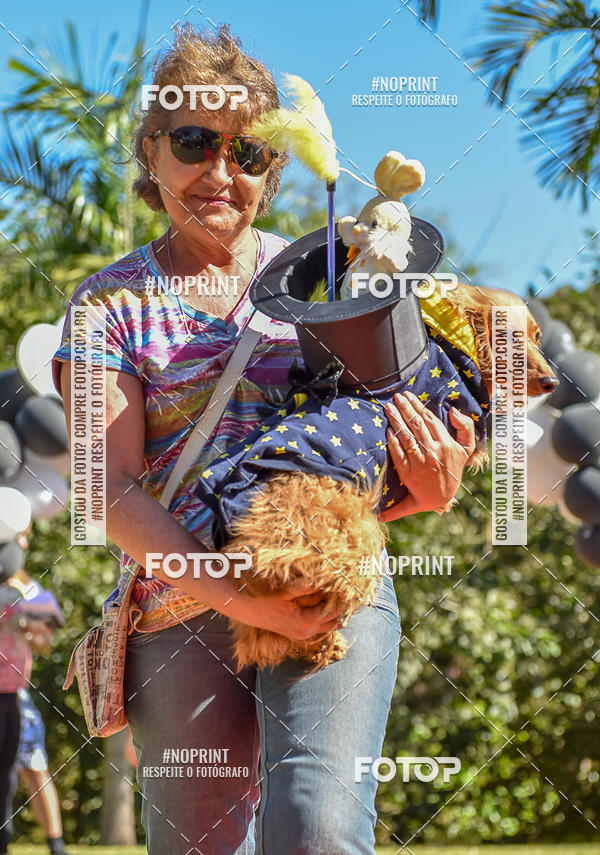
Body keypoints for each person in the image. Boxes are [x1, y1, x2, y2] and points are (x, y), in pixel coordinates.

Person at [52, 23, 477, 855]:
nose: (221, 173)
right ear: (150, 151)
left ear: (274, 168)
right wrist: (239, 598)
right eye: (194, 142)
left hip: (328, 581)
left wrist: (433, 488)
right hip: (180, 607)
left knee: (318, 827)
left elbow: (368, 440)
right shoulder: (107, 306)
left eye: (248, 153)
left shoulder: (332, 277)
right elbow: (106, 487)